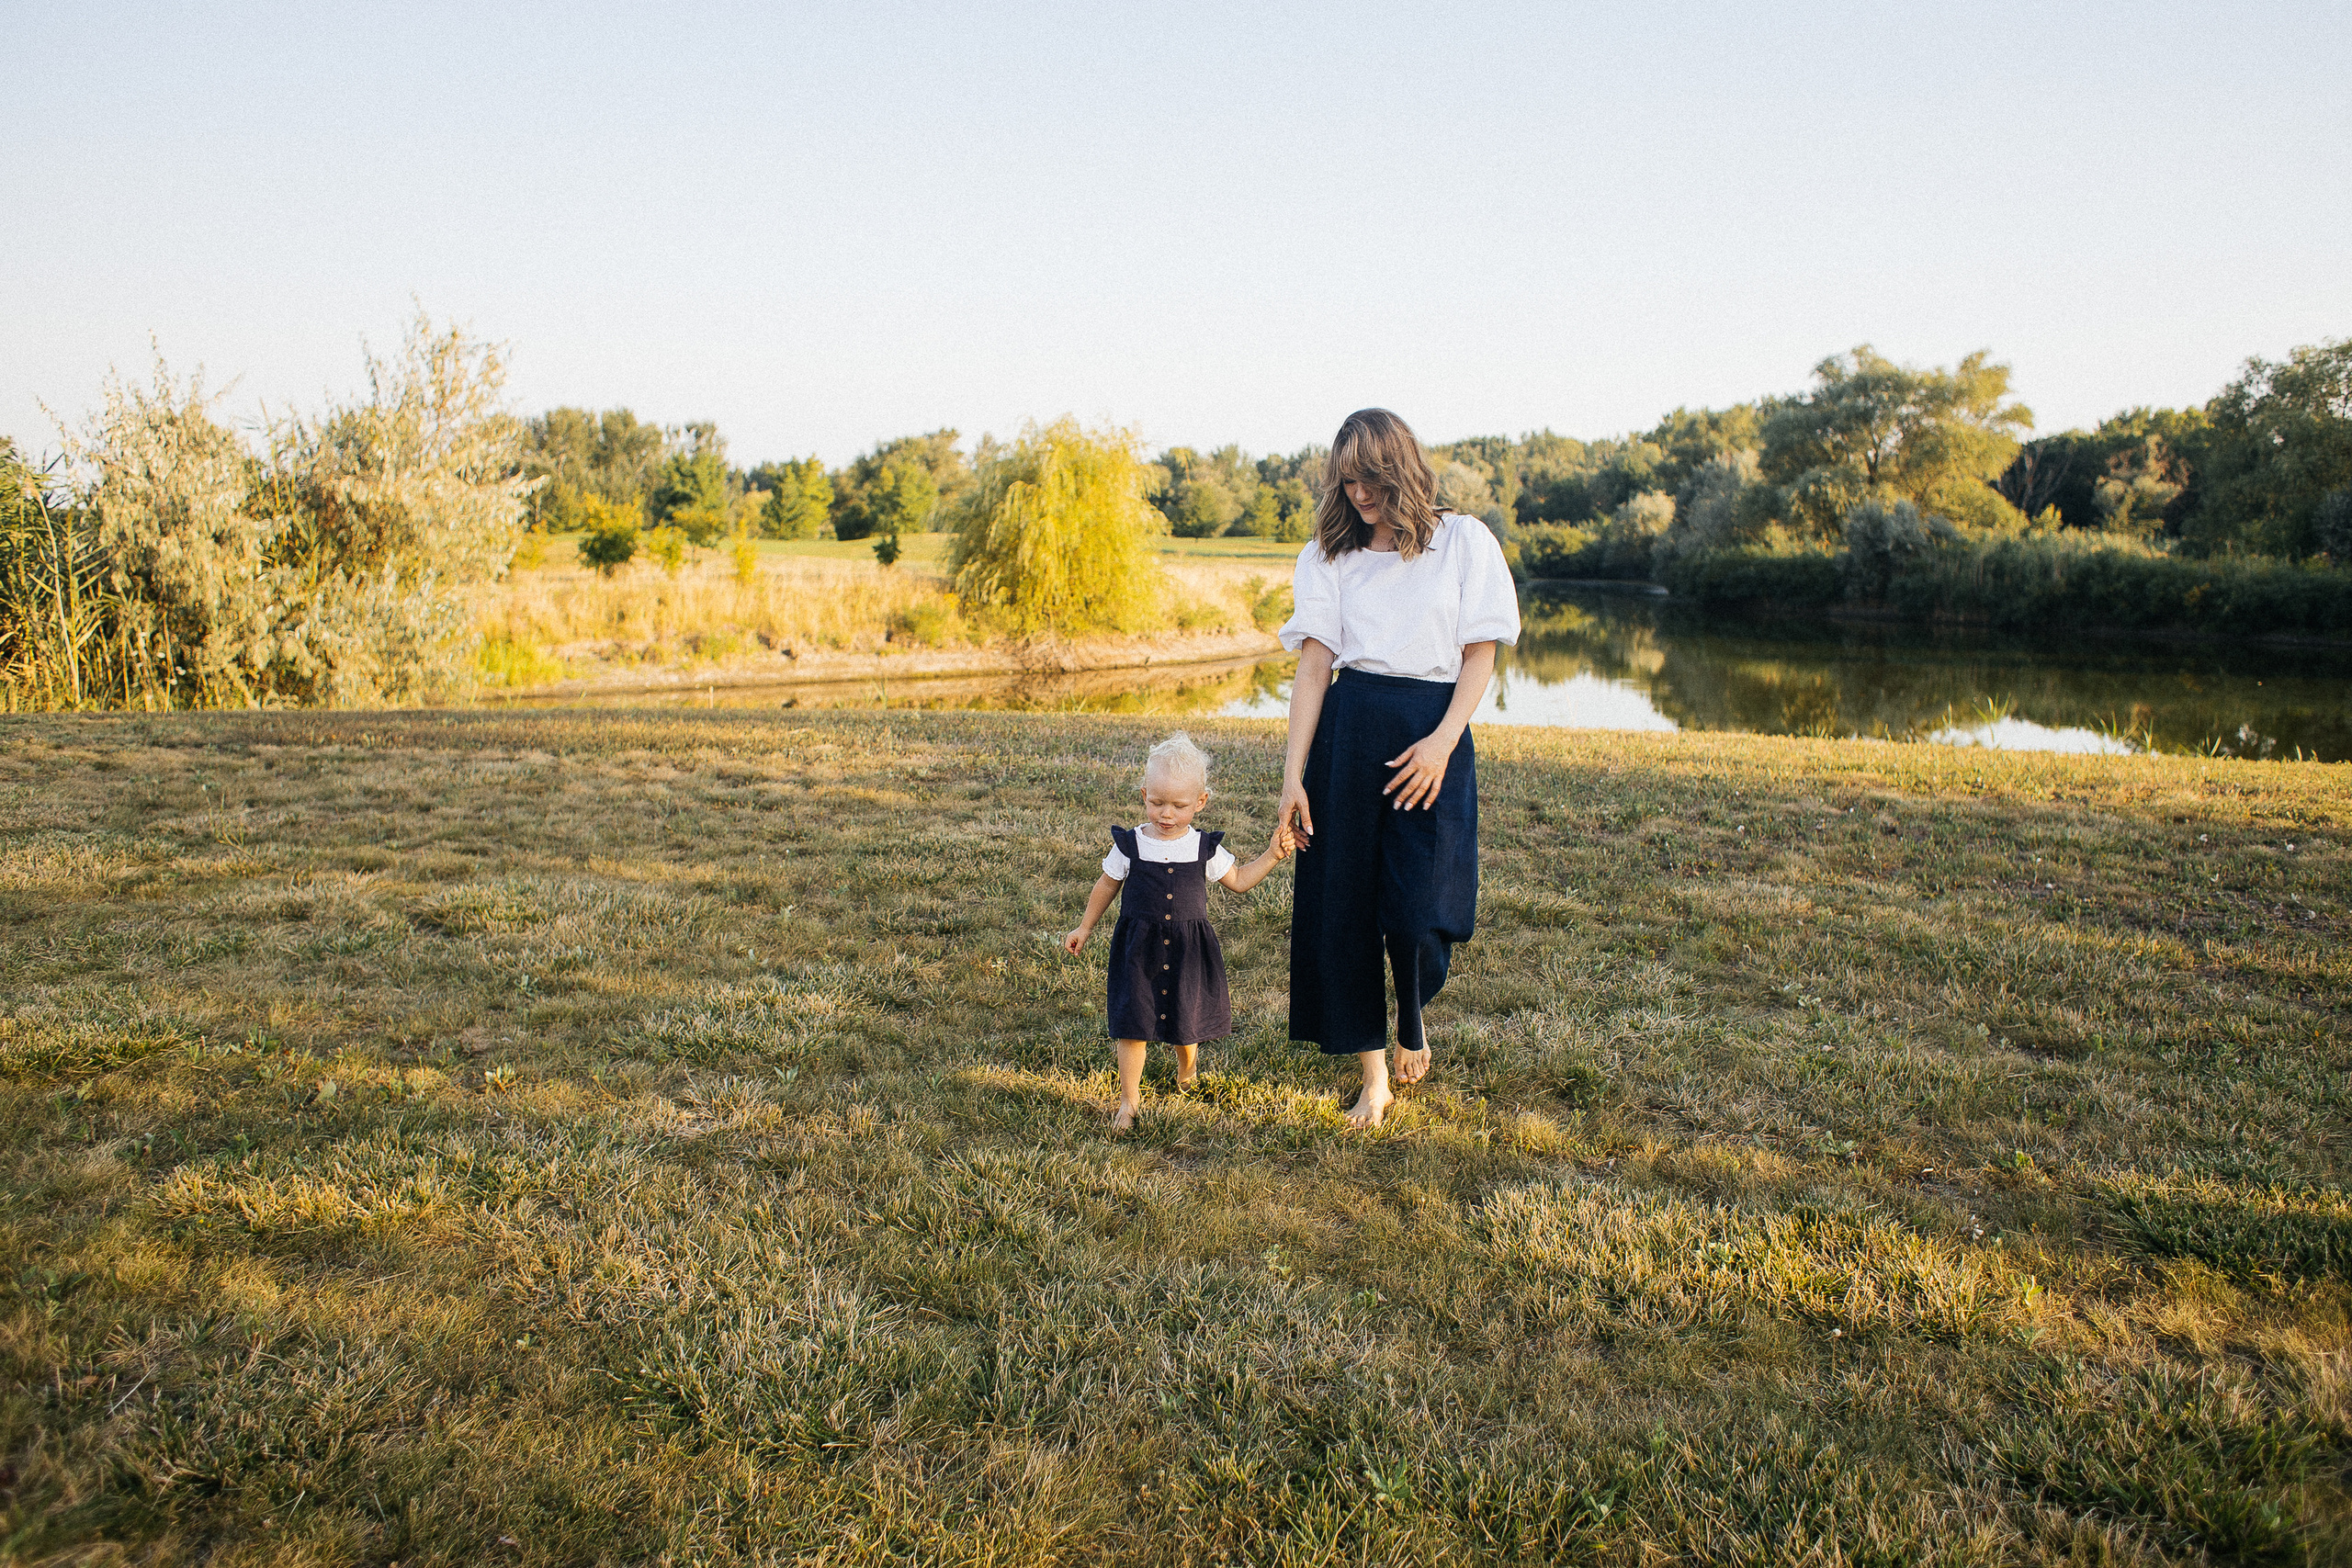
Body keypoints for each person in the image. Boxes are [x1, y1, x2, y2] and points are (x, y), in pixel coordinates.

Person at [1274, 409, 1521, 1128]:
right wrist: (1293, 774)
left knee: (1419, 913)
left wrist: (1444, 740)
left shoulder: (1464, 542)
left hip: (1429, 733)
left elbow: (1482, 653)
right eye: (1346, 480)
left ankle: (1413, 1011)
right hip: (1347, 736)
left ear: (1402, 468)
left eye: (1370, 478)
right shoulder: (1329, 554)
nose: (1358, 494)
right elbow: (1315, 665)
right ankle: (1374, 1076)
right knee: (1344, 907)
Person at [1064, 732, 1295, 1130]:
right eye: (1156, 802)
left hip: (1189, 951)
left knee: (1187, 1021)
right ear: (1144, 795)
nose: (1166, 813)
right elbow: (1105, 885)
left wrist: (1273, 854)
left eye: (1179, 805)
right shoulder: (1130, 844)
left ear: (1200, 802)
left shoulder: (1203, 847)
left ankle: (1187, 1073)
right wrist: (1085, 927)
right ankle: (1129, 1102)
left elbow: (1238, 880)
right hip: (1138, 950)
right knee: (1133, 1023)